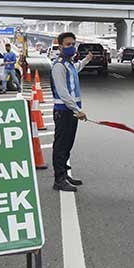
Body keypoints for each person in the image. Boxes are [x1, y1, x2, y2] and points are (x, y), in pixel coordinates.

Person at [50, 32, 93, 192]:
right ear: (60, 46)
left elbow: (76, 68)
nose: (71, 47)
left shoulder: (68, 64)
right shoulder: (59, 65)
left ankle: (64, 174)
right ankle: (59, 179)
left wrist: (86, 60)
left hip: (71, 112)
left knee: (67, 145)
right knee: (61, 146)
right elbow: (63, 91)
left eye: (73, 44)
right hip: (63, 112)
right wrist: (77, 110)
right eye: (68, 44)